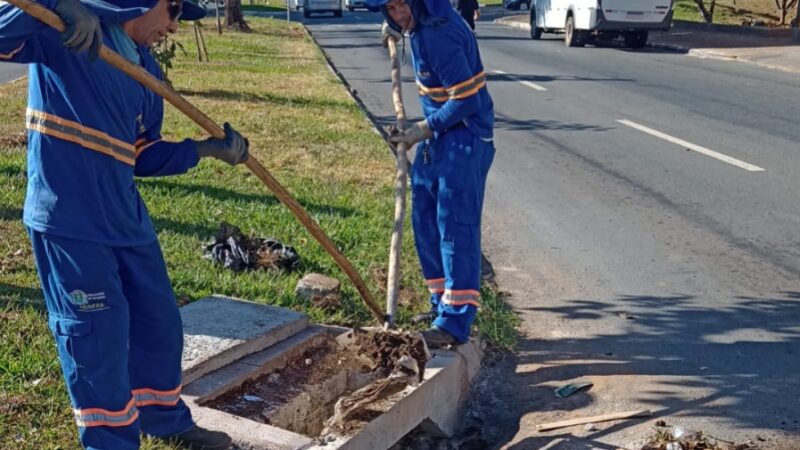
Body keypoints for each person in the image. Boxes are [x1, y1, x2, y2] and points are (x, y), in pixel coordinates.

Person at [0, 1, 248, 448]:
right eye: (172, 10)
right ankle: (110, 440)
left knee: (160, 322)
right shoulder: (65, 34)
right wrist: (59, 5)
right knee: (98, 334)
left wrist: (204, 150)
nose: (173, 26)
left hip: (126, 219)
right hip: (70, 220)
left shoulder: (145, 70)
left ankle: (162, 418)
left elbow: (142, 154)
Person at [368, 0, 495, 348]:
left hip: (466, 135)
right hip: (442, 135)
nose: (398, 15)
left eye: (401, 6)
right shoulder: (420, 27)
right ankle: (441, 303)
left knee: (455, 224)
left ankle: (454, 322)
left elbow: (466, 101)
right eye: (389, 10)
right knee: (424, 215)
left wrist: (420, 130)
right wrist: (394, 29)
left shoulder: (439, 35)